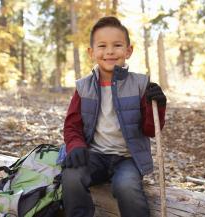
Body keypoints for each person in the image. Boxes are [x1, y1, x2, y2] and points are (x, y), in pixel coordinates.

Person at [62, 16, 166, 217]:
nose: (109, 51)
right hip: (94, 156)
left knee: (126, 187)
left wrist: (159, 106)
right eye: (102, 46)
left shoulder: (140, 84)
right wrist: (75, 146)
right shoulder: (83, 87)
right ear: (91, 52)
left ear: (128, 50)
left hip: (128, 158)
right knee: (71, 176)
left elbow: (151, 130)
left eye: (117, 45)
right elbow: (72, 126)